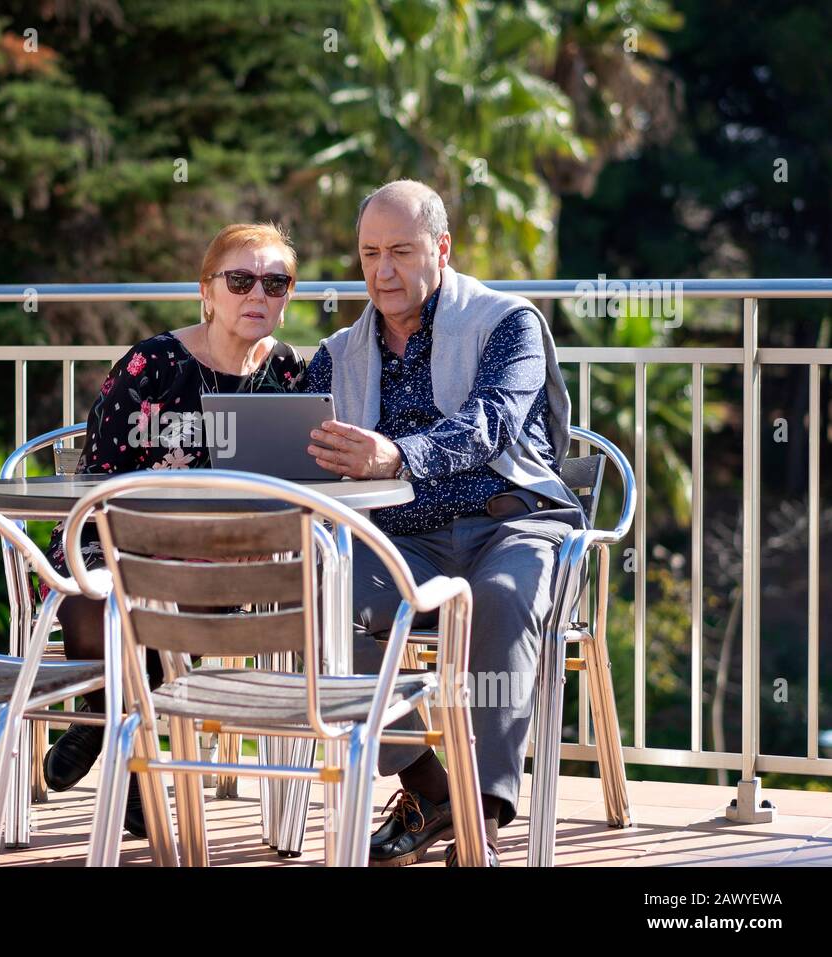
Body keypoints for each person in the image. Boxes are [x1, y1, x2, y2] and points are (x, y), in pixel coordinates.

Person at [297, 179, 587, 866]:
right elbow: (293, 441)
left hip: (511, 521)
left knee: (503, 598)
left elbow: (490, 425)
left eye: (401, 250)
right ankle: (428, 784)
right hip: (403, 538)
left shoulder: (507, 322)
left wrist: (396, 453)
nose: (382, 271)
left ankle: (483, 811)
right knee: (322, 592)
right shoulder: (339, 353)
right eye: (369, 253)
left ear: (443, 249)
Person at [41, 222, 306, 836]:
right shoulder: (151, 364)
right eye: (239, 279)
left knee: (166, 603)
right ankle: (136, 764)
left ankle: (101, 716)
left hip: (229, 559)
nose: (256, 294)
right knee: (96, 596)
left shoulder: (293, 374)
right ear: (206, 292)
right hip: (119, 538)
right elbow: (98, 481)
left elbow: (302, 485)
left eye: (275, 282)